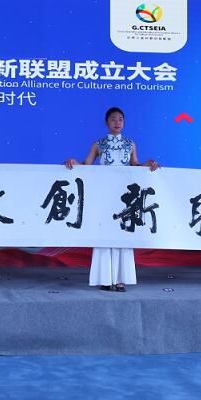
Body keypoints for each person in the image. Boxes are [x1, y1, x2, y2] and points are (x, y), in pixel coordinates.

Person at [65, 107, 159, 291]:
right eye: (113, 119)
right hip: (104, 194)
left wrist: (148, 164)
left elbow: (135, 164)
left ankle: (120, 279)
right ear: (106, 122)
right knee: (104, 234)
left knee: (122, 234)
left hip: (123, 195)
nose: (117, 122)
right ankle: (105, 278)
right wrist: (74, 162)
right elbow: (86, 164)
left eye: (120, 119)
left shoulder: (130, 144)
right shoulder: (98, 144)